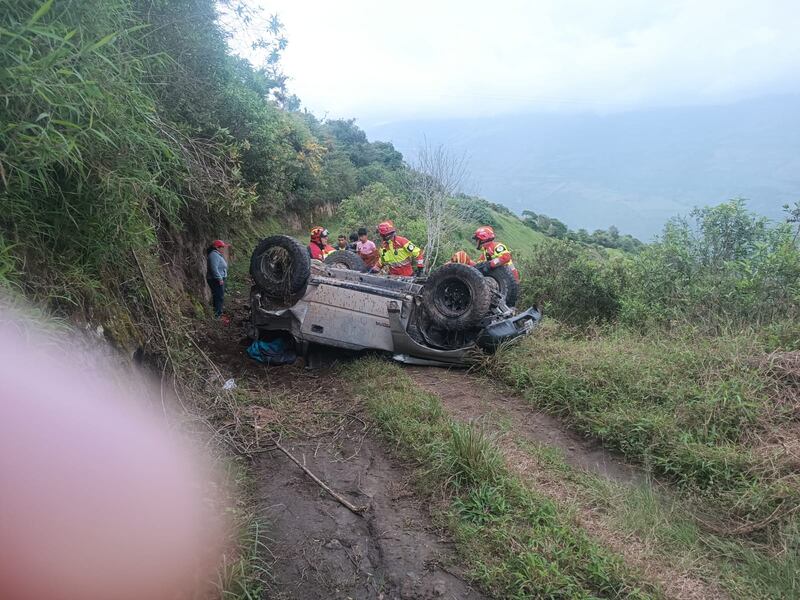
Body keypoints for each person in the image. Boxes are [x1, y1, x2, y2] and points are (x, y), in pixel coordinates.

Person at [206, 239, 229, 317]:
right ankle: (217, 314)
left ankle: (218, 312)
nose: (224, 248)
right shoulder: (214, 255)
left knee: (219, 296)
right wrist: (219, 278)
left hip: (219, 278)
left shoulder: (217, 254)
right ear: (217, 247)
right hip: (215, 279)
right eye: (222, 247)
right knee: (219, 296)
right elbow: (214, 268)